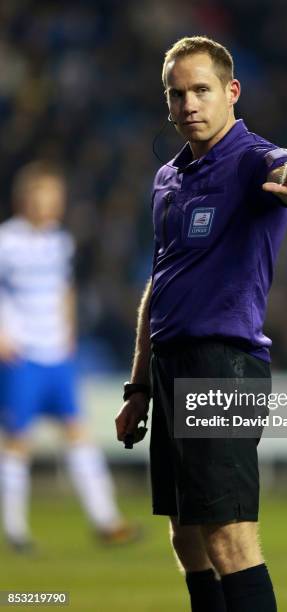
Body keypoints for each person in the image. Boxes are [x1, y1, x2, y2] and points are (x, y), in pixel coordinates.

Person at [115, 36, 287, 612]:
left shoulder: (253, 158)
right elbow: (159, 285)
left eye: (201, 90)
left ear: (231, 91)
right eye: (177, 94)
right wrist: (139, 386)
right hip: (170, 366)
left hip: (223, 366)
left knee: (229, 534)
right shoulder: (167, 179)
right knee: (186, 535)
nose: (189, 105)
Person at [0, 161, 140, 553]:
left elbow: (65, 289)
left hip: (57, 354)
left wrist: (68, 330)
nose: (51, 205)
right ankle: (14, 529)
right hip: (21, 354)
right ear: (24, 199)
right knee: (16, 441)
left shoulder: (59, 241)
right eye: (44, 197)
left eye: (55, 198)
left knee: (78, 433)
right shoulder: (7, 241)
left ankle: (106, 521)